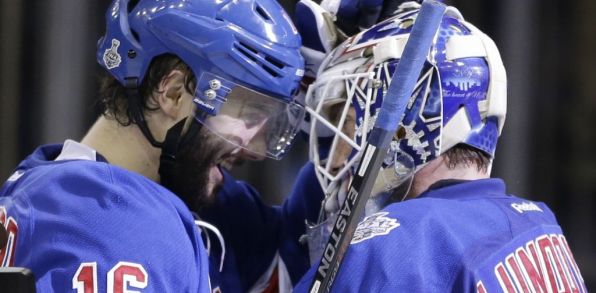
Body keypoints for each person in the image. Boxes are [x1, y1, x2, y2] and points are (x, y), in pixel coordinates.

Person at [0, 0, 310, 291]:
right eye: (250, 114)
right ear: (174, 93)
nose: (255, 149)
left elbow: (294, 252)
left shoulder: (56, 188)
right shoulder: (122, 225)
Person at [294, 2, 588, 292]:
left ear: (409, 116)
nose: (335, 162)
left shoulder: (397, 243)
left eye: (349, 124)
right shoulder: (539, 224)